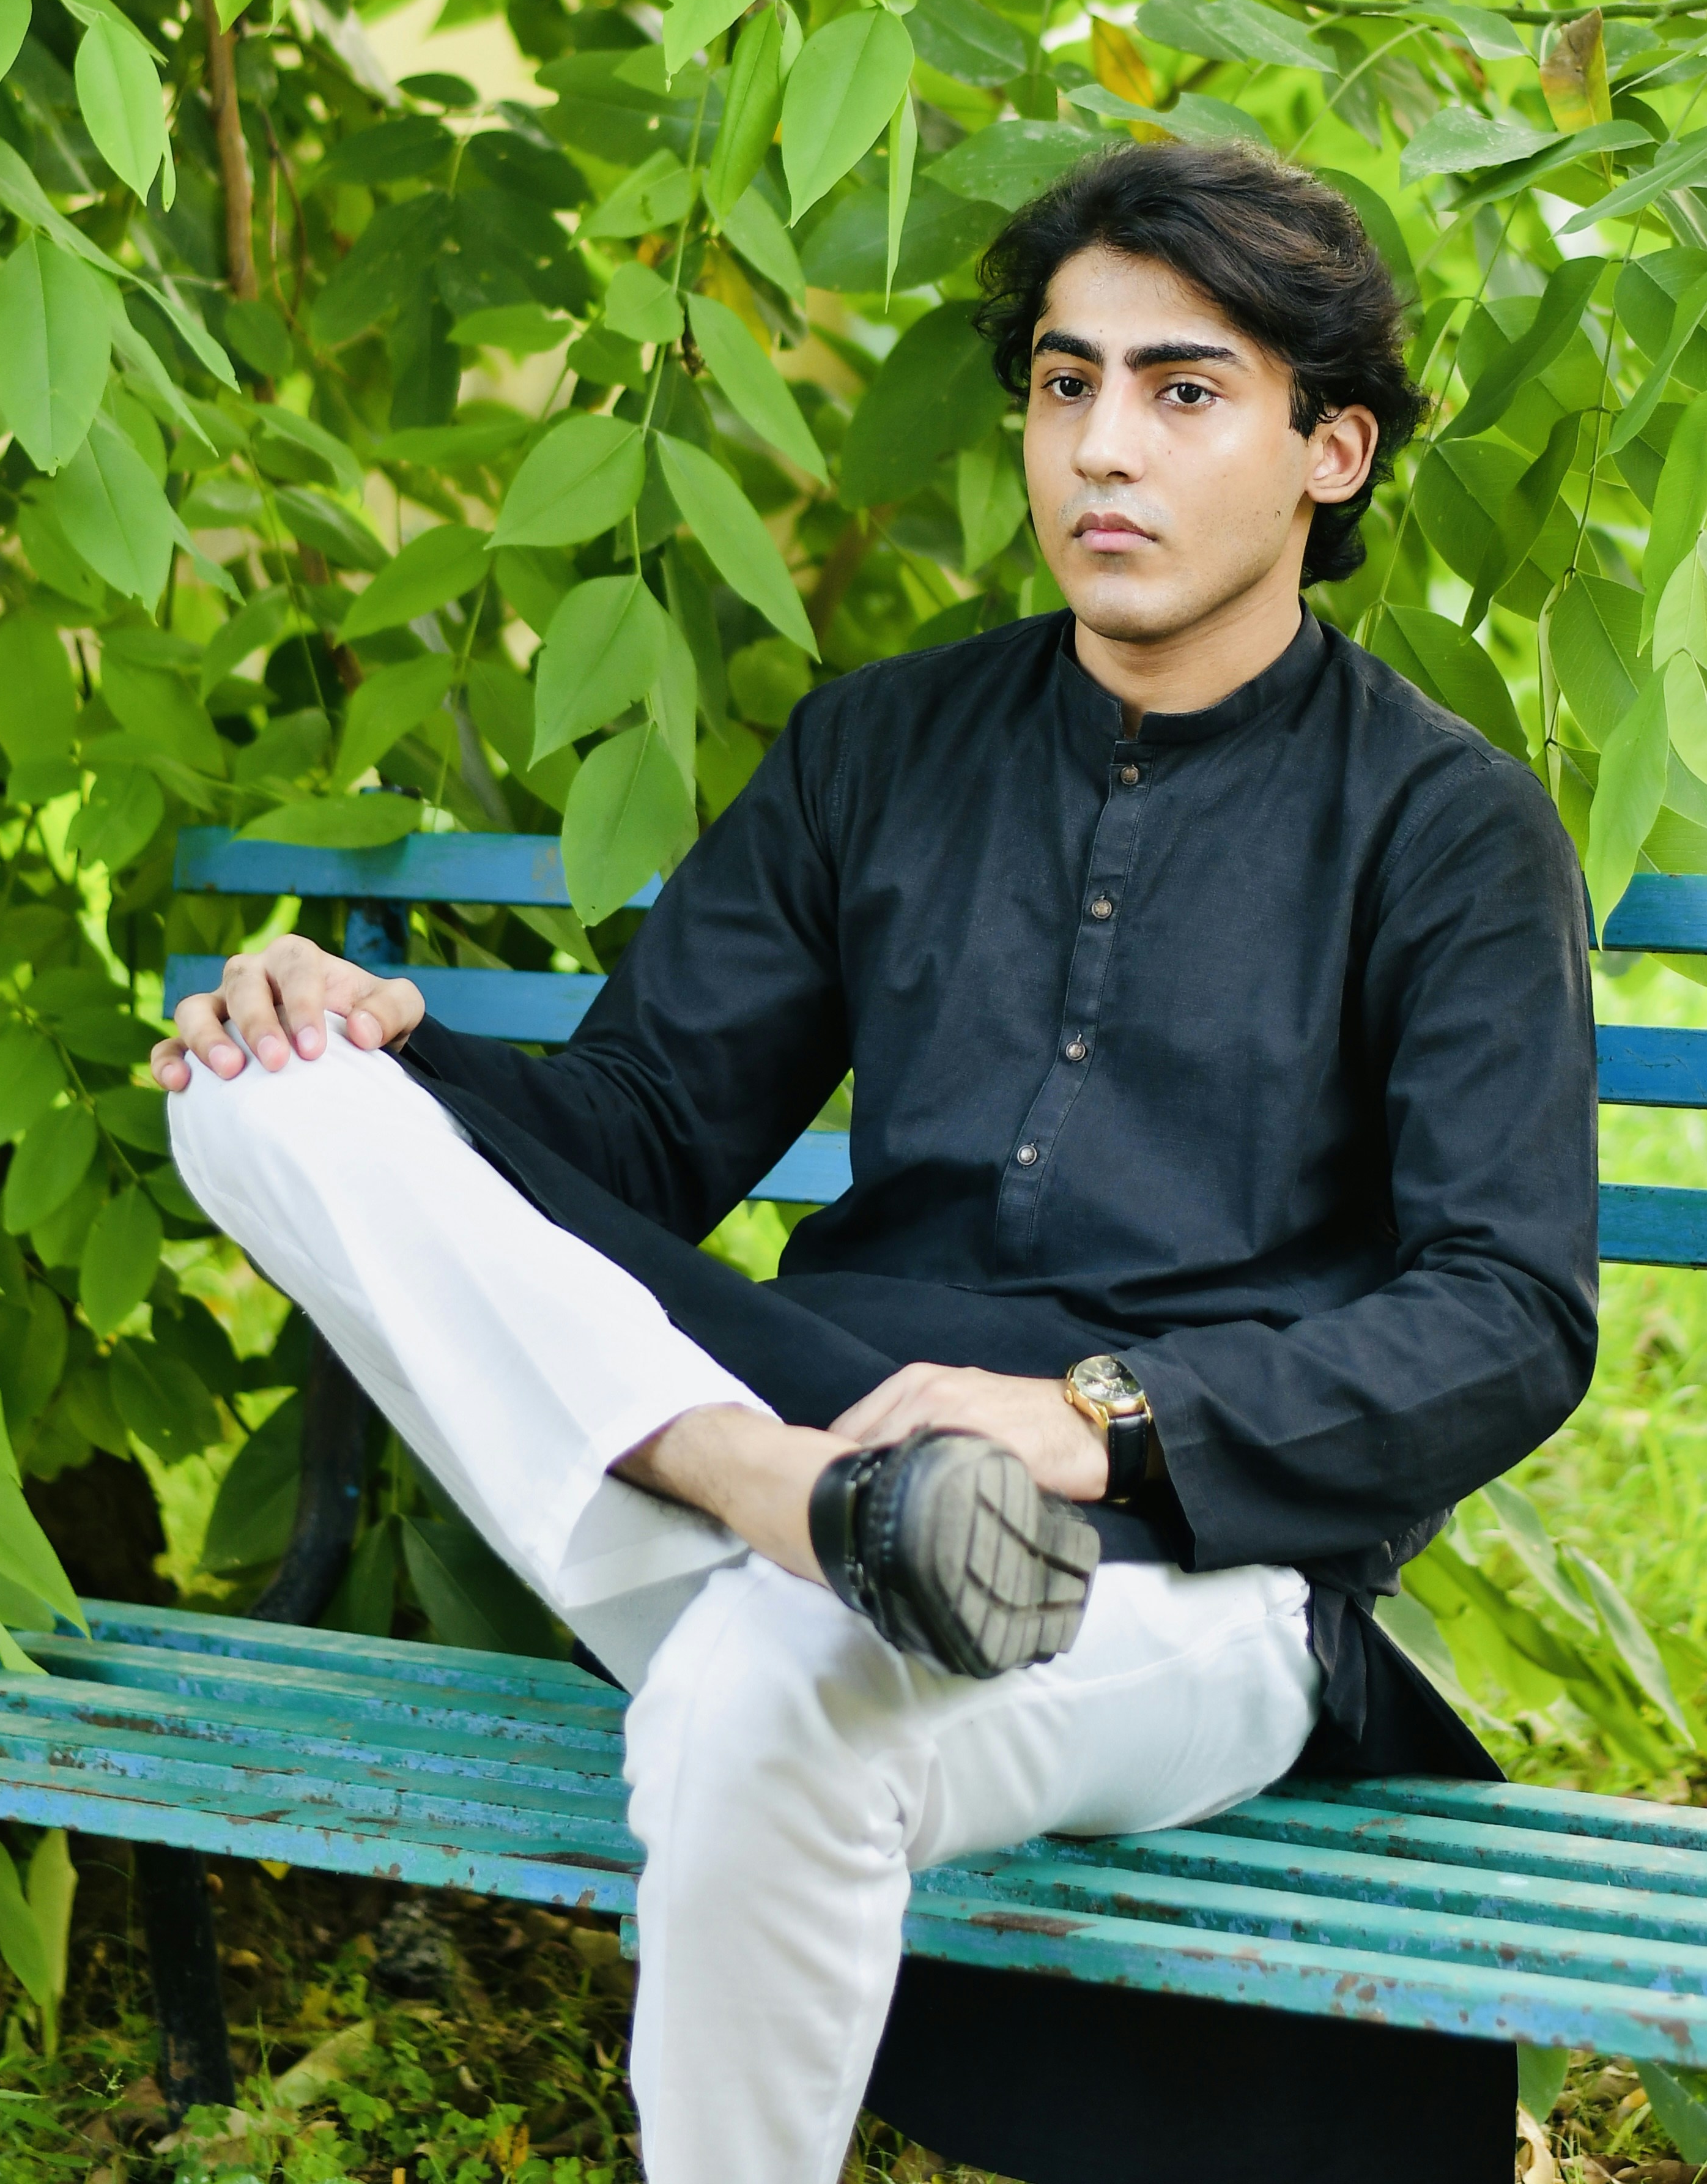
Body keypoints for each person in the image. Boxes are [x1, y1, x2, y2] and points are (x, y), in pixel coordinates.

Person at [154, 140, 1598, 2184]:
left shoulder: (1444, 833)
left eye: (1184, 394)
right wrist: (395, 1056)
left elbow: (1509, 1317)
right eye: (1063, 385)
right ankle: (789, 1495)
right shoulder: (882, 748)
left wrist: (1094, 1420)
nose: (1104, 447)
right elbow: (641, 1130)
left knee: (764, 1674)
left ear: (1329, 451)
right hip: (773, 1464)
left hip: (1180, 1587)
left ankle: (804, 1519)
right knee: (251, 1089)